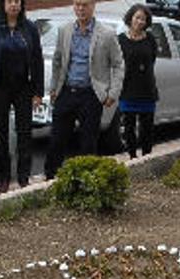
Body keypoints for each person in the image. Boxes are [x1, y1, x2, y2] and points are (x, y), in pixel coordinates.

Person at [45, 0, 124, 180]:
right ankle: (50, 179)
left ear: (93, 6)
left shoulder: (107, 34)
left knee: (88, 143)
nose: (80, 9)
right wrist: (54, 88)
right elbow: (58, 61)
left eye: (85, 5)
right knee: (57, 139)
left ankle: (85, 181)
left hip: (91, 94)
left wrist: (113, 92)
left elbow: (119, 65)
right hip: (66, 92)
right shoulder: (64, 30)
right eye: (77, 5)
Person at [0, 0, 44, 192]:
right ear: (2, 4)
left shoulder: (29, 28)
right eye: (9, 1)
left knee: (24, 133)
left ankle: (23, 178)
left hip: (23, 87)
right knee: (1, 135)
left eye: (17, 1)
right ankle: (4, 178)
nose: (13, 5)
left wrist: (38, 92)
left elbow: (37, 60)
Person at [117, 4, 158, 160]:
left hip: (147, 89)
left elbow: (152, 60)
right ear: (130, 18)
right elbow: (117, 63)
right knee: (128, 127)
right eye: (137, 18)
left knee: (147, 129)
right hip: (127, 90)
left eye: (143, 19)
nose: (140, 22)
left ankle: (146, 157)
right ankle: (132, 157)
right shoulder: (120, 40)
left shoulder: (150, 39)